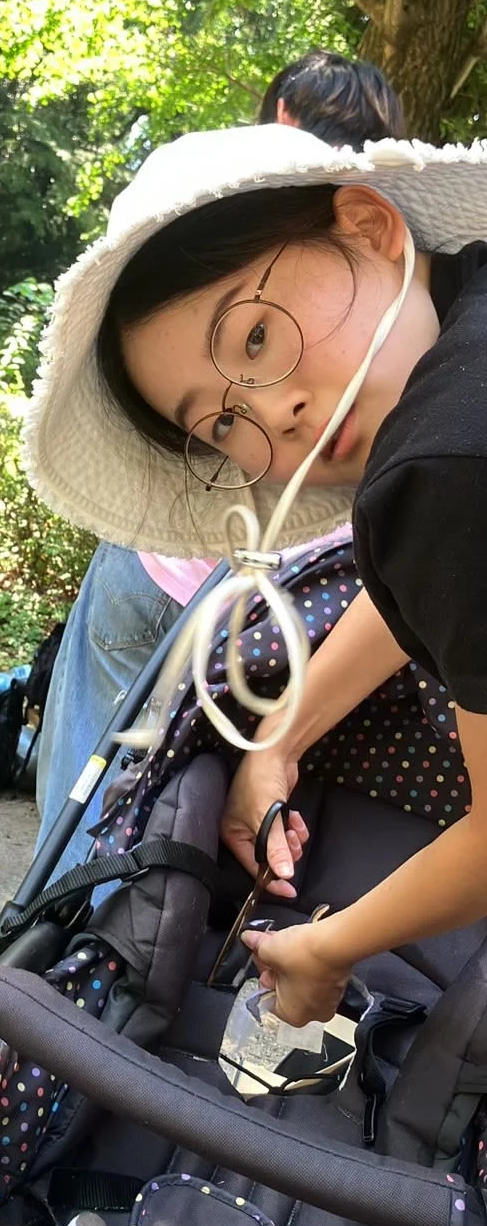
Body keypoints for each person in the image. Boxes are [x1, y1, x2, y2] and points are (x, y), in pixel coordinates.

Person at [25, 116, 487, 1035]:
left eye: (255, 339)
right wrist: (278, 736)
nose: (281, 418)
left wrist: (325, 948)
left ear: (369, 225)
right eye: (225, 428)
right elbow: (439, 583)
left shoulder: (437, 467)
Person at [34, 50, 404, 877]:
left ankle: (49, 958)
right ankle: (126, 977)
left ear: (277, 119)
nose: (270, 408)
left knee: (83, 792)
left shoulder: (192, 188)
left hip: (159, 566)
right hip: (292, 619)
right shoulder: (384, 321)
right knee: (195, 835)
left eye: (259, 336)